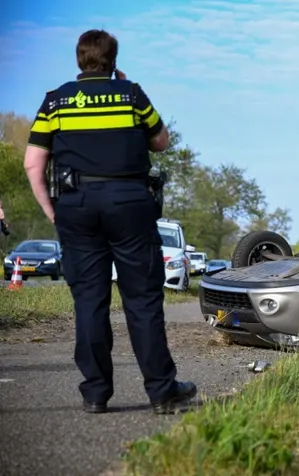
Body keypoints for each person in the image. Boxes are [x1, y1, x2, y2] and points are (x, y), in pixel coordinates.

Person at [23, 29, 197, 414]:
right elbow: (161, 141)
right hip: (130, 204)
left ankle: (96, 394)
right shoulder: (132, 95)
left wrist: (53, 210)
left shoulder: (55, 102)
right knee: (143, 301)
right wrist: (126, 90)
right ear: (113, 59)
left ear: (79, 59)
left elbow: (33, 164)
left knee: (89, 301)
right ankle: (162, 392)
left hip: (77, 206)